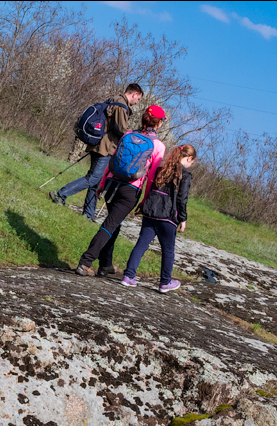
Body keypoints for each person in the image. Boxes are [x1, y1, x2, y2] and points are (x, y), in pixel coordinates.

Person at [75, 105, 167, 278]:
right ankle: (85, 262)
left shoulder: (128, 135)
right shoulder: (158, 146)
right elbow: (151, 178)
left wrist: (102, 183)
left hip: (111, 183)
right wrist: (145, 201)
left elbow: (113, 160)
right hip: (130, 190)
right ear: (159, 123)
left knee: (113, 224)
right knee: (109, 225)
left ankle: (105, 265)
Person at [50, 84, 144, 221]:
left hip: (99, 144)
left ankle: (88, 214)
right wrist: (136, 136)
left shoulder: (113, 100)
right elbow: (122, 130)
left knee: (96, 181)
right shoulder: (121, 105)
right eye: (138, 99)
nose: (137, 102)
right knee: (93, 178)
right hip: (105, 148)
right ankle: (60, 194)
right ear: (134, 94)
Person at [121, 144, 197, 293]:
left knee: (141, 244)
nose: (190, 165)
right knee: (168, 250)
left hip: (151, 213)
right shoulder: (185, 175)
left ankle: (128, 276)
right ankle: (165, 282)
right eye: (191, 162)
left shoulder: (161, 170)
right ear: (189, 158)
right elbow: (182, 199)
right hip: (167, 217)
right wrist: (183, 219)